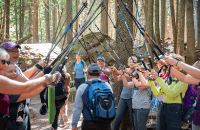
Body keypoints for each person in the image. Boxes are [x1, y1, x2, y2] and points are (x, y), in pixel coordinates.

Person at [0, 48, 61, 130]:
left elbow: (28, 82)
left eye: (16, 71)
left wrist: (44, 73)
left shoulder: (13, 81)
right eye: (3, 62)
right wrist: (47, 79)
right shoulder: (8, 90)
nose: (15, 74)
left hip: (22, 121)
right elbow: (28, 89)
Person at [148, 54, 188, 130]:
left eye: (172, 65)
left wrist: (158, 79)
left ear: (179, 66)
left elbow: (171, 94)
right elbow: (157, 93)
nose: (169, 67)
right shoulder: (167, 79)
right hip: (163, 106)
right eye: (169, 65)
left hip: (175, 109)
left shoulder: (183, 80)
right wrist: (150, 81)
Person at [72, 63, 113, 130]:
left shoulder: (82, 87)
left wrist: (74, 124)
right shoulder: (107, 85)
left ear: (87, 74)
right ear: (100, 73)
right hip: (105, 123)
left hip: (89, 123)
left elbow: (77, 108)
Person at [110, 56, 137, 130]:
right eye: (130, 62)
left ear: (136, 64)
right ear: (128, 64)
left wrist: (118, 71)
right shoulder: (124, 71)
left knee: (133, 119)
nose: (132, 63)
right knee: (118, 117)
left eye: (134, 62)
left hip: (132, 98)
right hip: (123, 97)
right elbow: (117, 79)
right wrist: (113, 72)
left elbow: (129, 77)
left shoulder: (136, 72)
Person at [121, 64, 151, 130]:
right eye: (141, 71)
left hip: (143, 107)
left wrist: (132, 76)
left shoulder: (148, 81)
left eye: (143, 71)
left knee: (141, 127)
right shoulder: (137, 80)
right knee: (136, 127)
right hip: (135, 107)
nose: (142, 73)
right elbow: (126, 84)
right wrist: (123, 75)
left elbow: (138, 85)